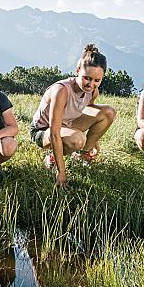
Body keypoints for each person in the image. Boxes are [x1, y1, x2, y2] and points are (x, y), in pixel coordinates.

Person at [30, 44, 117, 188]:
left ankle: (82, 155)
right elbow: (54, 132)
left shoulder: (93, 91)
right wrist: (61, 172)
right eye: (87, 78)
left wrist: (94, 141)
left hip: (67, 123)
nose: (91, 84)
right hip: (44, 131)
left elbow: (87, 110)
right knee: (77, 139)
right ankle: (52, 157)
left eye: (97, 80)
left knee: (109, 112)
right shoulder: (61, 91)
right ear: (77, 71)